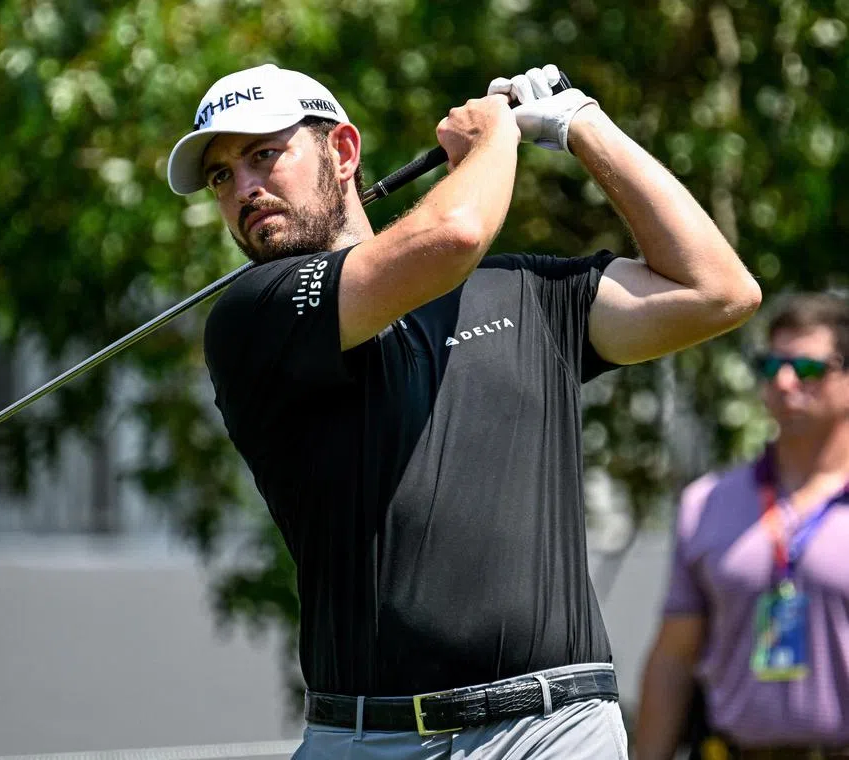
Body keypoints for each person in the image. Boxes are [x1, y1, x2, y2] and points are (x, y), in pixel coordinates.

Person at [166, 62, 761, 758]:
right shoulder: (252, 316)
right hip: (369, 738)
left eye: (264, 155)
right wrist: (493, 140)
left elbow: (719, 290)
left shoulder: (526, 292)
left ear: (344, 151)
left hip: (557, 728)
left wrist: (582, 124)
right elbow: (453, 233)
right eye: (221, 177)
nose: (245, 190)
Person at [635, 292, 849, 760]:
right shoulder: (708, 502)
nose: (787, 382)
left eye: (810, 369)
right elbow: (674, 657)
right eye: (772, 367)